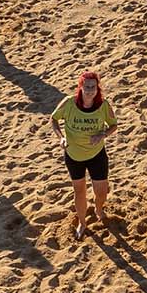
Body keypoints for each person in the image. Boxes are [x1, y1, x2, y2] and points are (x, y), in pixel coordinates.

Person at [52, 71, 117, 236]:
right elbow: (54, 119)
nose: (89, 90)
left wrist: (102, 135)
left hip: (97, 154)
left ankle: (98, 209)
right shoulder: (68, 103)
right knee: (79, 190)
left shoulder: (103, 105)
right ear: (80, 87)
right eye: (86, 87)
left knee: (101, 191)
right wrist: (61, 138)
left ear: (97, 88)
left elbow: (113, 125)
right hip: (73, 155)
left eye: (93, 87)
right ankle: (82, 222)